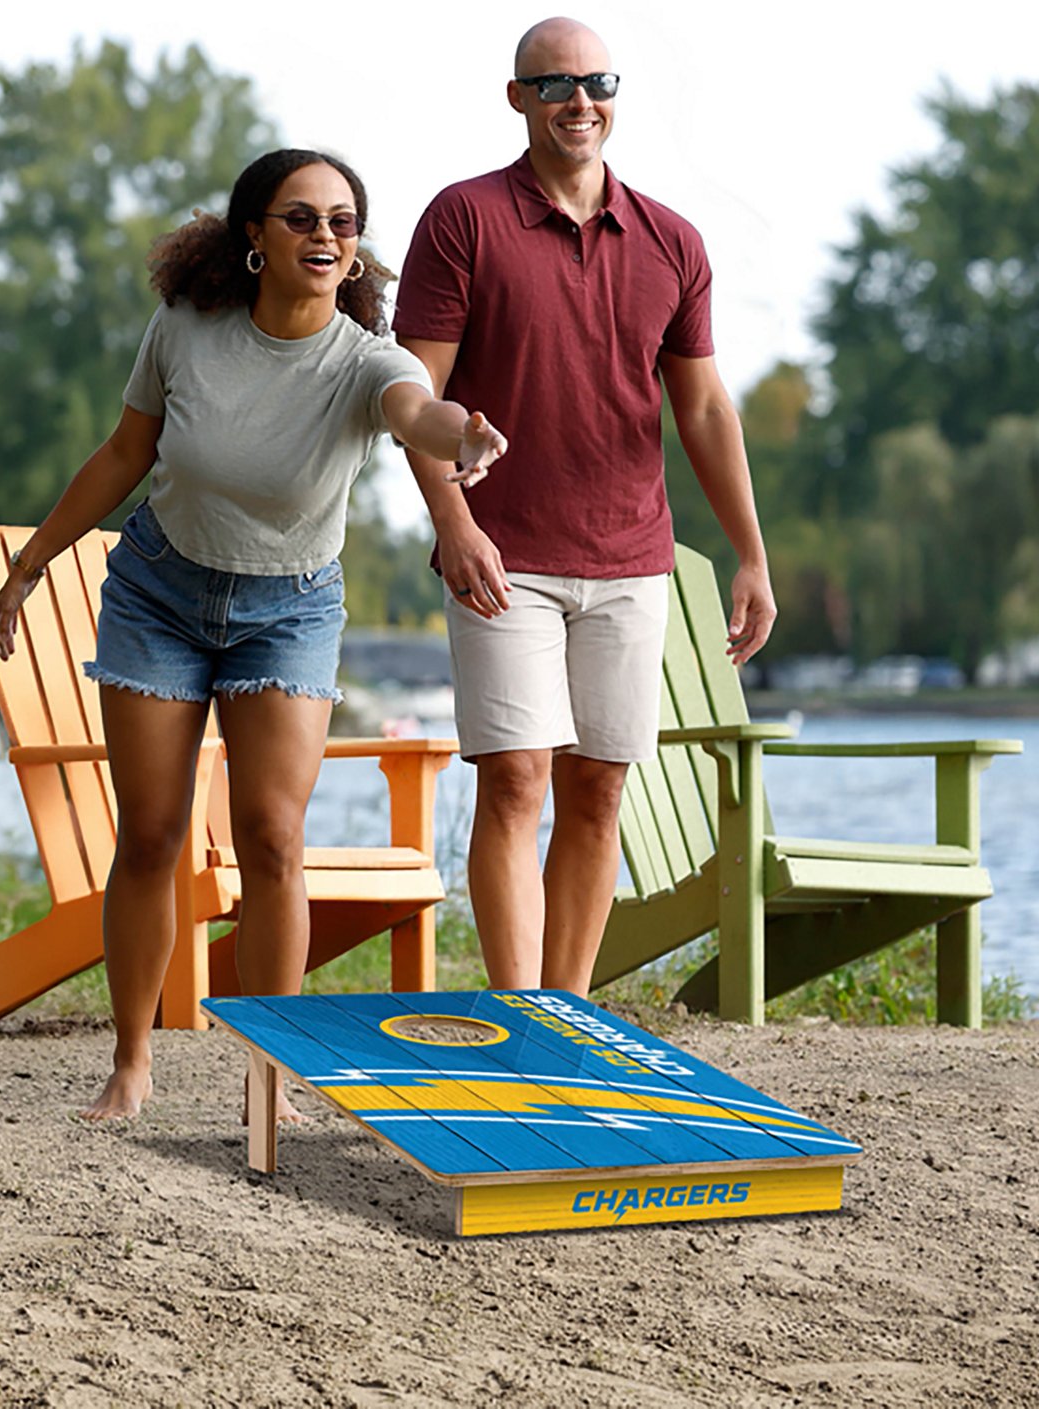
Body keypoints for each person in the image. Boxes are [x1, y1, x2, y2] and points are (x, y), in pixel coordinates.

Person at [0, 148, 508, 1121]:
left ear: (355, 252)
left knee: (273, 837)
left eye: (342, 223)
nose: (324, 235)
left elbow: (415, 414)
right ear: (255, 238)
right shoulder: (187, 329)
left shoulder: (366, 359)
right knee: (151, 833)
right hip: (159, 596)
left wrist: (461, 438)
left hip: (290, 610)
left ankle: (271, 1076)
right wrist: (34, 561)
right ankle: (132, 1061)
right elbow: (125, 453)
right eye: (301, 217)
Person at [393, 18, 776, 997]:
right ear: (517, 97)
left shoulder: (672, 242)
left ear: (614, 94)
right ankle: (520, 1012)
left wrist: (749, 554)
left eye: (596, 81)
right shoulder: (462, 219)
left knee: (598, 787)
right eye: (555, 84)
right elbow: (411, 398)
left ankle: (566, 1011)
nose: (579, 100)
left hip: (631, 556)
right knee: (516, 777)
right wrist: (455, 524)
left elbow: (702, 406)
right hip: (503, 553)